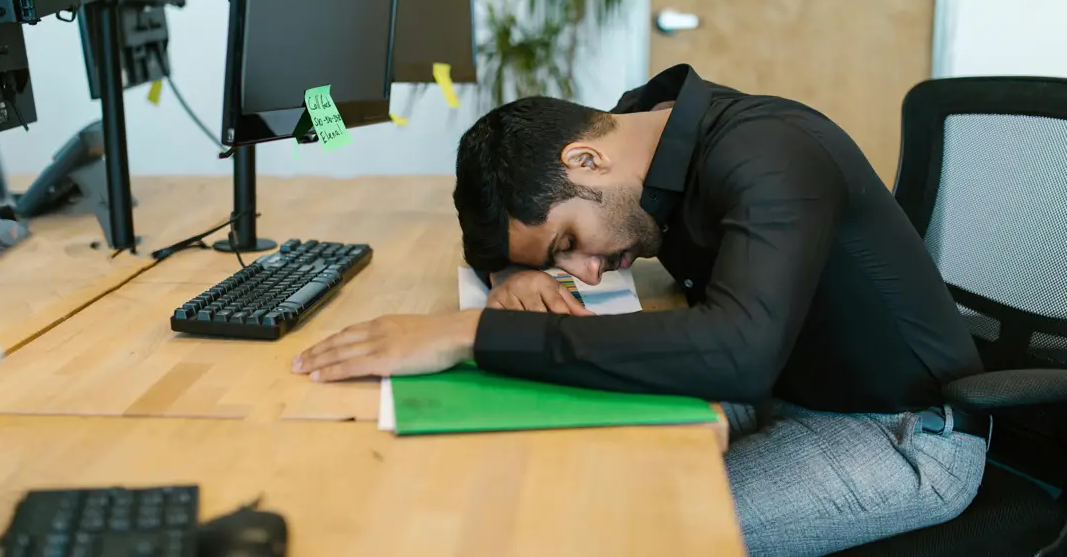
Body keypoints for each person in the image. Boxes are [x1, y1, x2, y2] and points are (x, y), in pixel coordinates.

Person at [292, 64, 989, 556]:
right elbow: (512, 213)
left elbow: (739, 352)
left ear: (587, 161)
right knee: (545, 471)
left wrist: (477, 331)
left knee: (624, 530)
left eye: (570, 244)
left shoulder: (771, 155)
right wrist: (511, 272)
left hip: (898, 433)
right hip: (790, 384)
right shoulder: (642, 132)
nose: (587, 272)